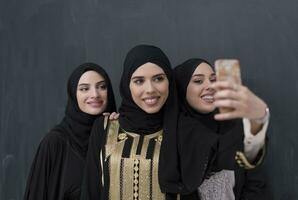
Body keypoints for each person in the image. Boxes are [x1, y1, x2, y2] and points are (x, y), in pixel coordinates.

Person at [81, 45, 183, 200]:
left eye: (158, 78)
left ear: (169, 81)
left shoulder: (182, 130)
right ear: (127, 85)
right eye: (139, 81)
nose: (150, 89)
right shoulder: (105, 127)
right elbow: (90, 192)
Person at [173, 58, 269, 199]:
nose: (210, 86)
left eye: (213, 80)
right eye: (198, 81)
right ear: (182, 88)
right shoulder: (172, 135)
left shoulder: (235, 126)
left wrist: (259, 119)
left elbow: (255, 181)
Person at [24, 63, 116, 200]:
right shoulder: (55, 143)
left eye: (102, 87)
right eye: (84, 89)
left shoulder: (116, 135)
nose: (95, 94)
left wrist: (120, 128)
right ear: (73, 94)